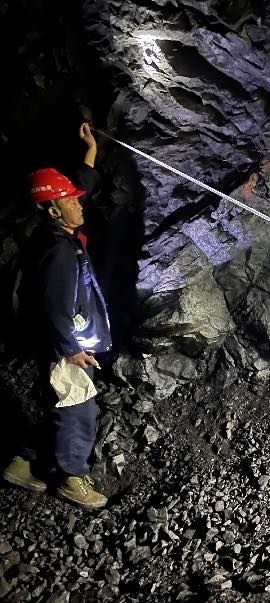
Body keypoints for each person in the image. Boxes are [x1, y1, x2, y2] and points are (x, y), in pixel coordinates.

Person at [2, 122, 112, 509]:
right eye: (72, 201)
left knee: (59, 398)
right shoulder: (58, 250)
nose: (80, 204)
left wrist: (90, 149)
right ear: (53, 211)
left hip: (63, 337)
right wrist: (70, 349)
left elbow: (80, 187)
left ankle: (23, 462)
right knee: (78, 405)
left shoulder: (57, 225)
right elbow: (53, 304)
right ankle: (71, 478)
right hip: (62, 341)